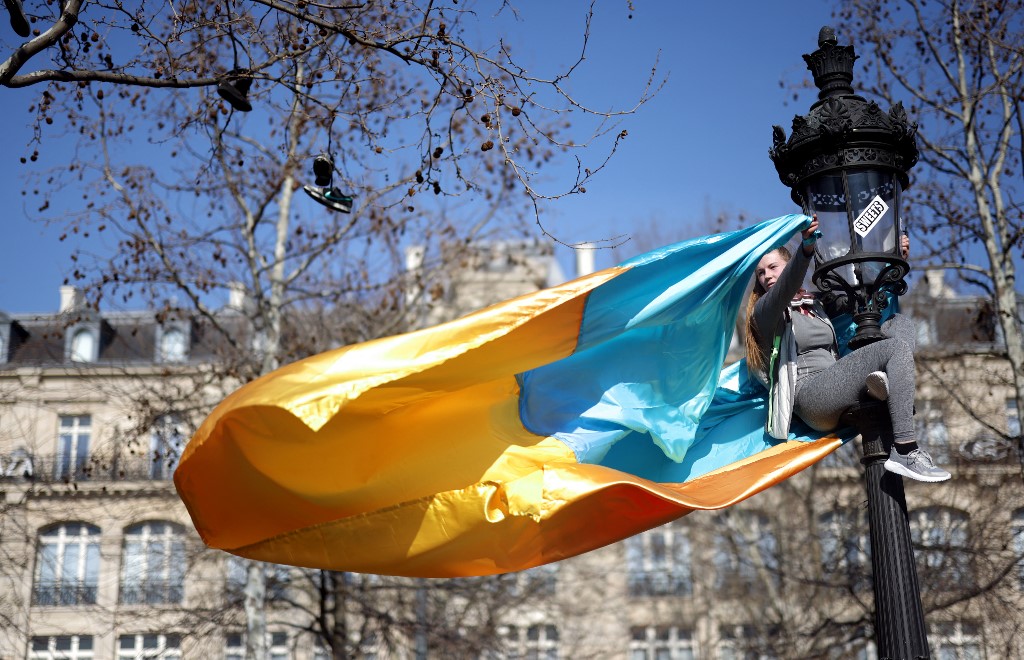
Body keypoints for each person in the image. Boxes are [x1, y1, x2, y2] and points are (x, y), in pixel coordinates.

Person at [744, 217, 950, 482]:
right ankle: (906, 449)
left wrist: (894, 259)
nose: (767, 276)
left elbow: (867, 300)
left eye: (772, 267)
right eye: (760, 273)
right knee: (894, 350)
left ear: (785, 265)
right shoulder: (765, 312)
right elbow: (785, 287)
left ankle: (884, 385)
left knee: (899, 325)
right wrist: (806, 247)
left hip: (839, 381)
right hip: (811, 396)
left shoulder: (816, 304)